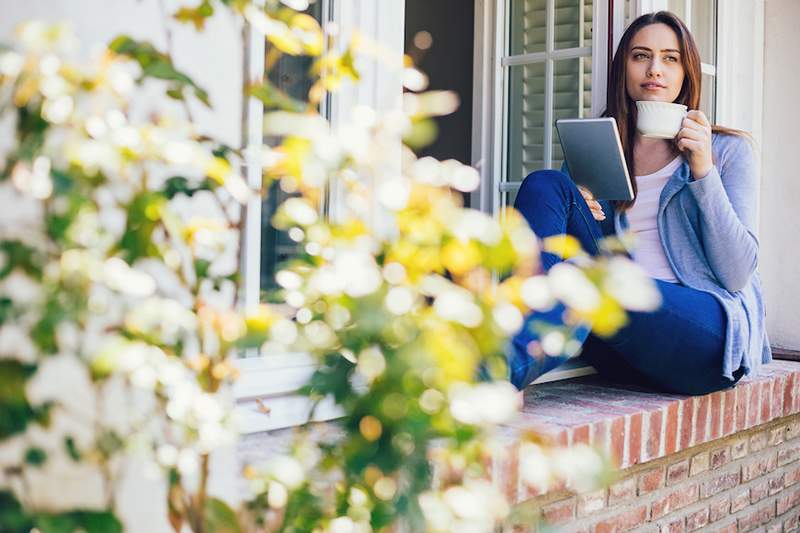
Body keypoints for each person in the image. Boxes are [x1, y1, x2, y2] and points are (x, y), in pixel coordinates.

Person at [507, 11, 771, 396]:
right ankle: (515, 326)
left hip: (703, 339)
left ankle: (485, 378)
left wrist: (703, 172)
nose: (654, 70)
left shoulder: (726, 151)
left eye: (670, 58)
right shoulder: (598, 147)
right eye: (640, 56)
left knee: (587, 279)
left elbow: (736, 274)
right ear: (624, 69)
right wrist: (576, 213)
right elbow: (560, 250)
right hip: (623, 344)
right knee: (545, 183)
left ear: (686, 72)